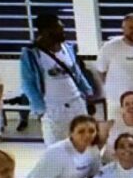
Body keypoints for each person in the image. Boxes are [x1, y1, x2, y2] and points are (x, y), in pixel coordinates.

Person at [20, 12, 93, 145]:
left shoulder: (68, 48)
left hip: (76, 102)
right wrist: (41, 109)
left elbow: (77, 73)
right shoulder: (31, 54)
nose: (63, 31)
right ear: (46, 31)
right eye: (59, 29)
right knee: (56, 147)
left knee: (84, 144)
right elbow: (28, 84)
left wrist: (87, 93)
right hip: (53, 108)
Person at [95, 13, 133, 120]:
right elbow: (101, 72)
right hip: (116, 105)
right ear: (123, 29)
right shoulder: (109, 47)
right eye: (131, 28)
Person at [99, 91, 133, 164]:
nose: (131, 106)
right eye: (127, 104)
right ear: (122, 108)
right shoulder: (110, 125)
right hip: (109, 165)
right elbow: (97, 148)